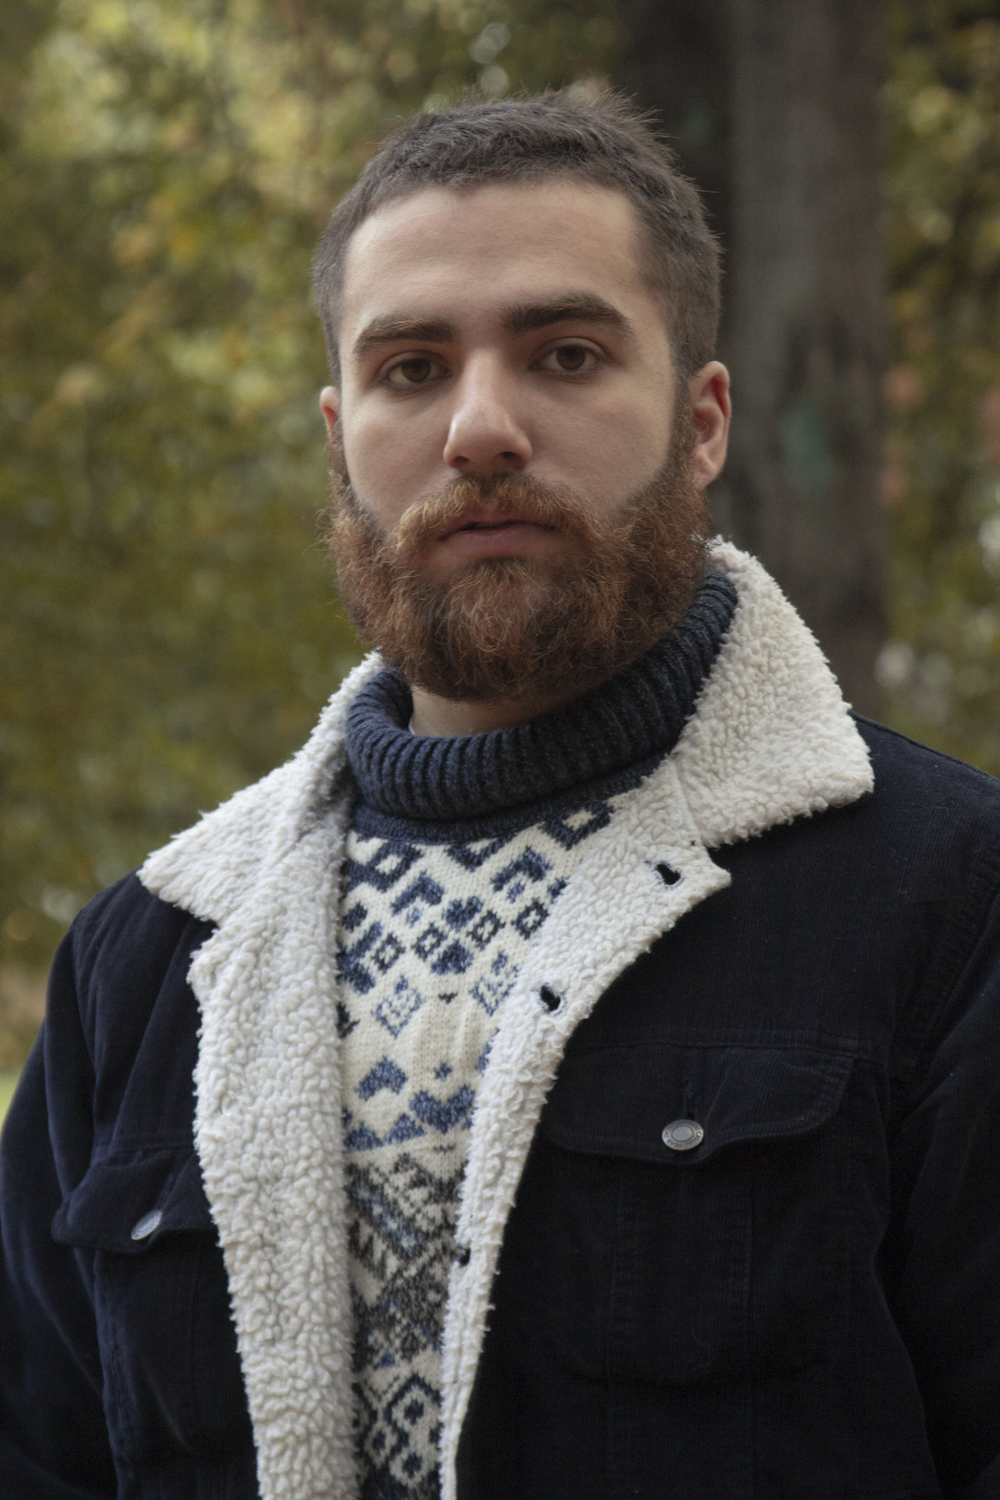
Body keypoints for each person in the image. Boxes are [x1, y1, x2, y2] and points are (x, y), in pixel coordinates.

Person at [2, 88, 999, 1500]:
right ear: (341, 435)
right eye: (412, 369)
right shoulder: (146, 961)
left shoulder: (949, 893)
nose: (480, 427)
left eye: (568, 352)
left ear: (703, 422)